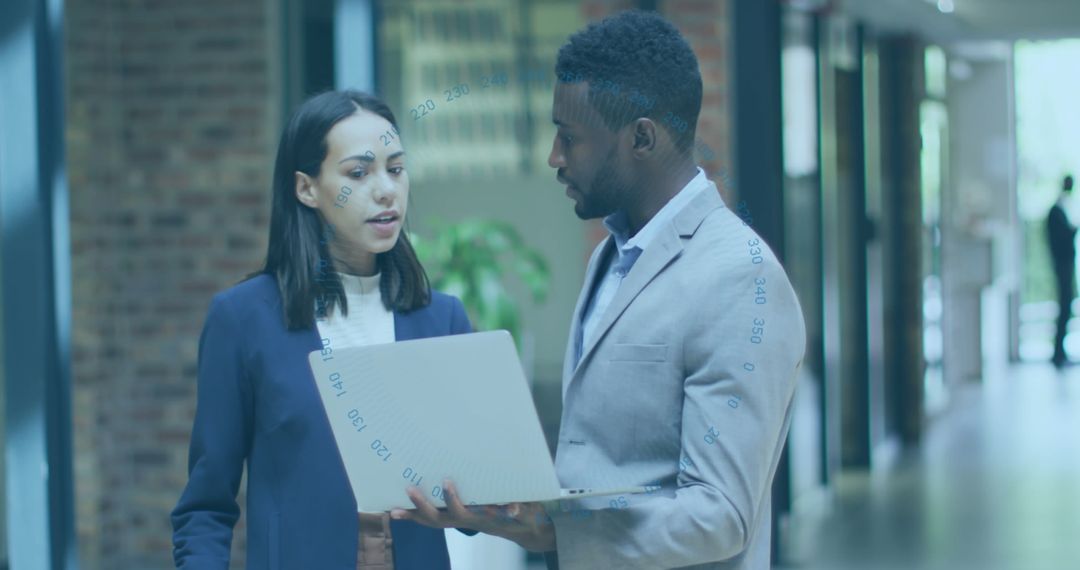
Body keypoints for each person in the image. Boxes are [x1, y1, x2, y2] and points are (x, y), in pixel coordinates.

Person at [391, 11, 806, 570]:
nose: (554, 158)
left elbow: (721, 514)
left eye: (571, 139)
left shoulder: (740, 278)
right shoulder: (611, 256)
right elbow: (608, 463)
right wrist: (512, 503)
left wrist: (560, 530)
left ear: (641, 137)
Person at [170, 90, 476, 569]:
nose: (386, 189)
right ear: (306, 188)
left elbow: (480, 498)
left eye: (395, 168)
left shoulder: (443, 320)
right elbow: (206, 506)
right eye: (359, 173)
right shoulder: (243, 319)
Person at [1047, 174, 1077, 368]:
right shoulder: (1056, 212)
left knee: (1067, 307)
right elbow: (1061, 239)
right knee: (1064, 307)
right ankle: (1058, 353)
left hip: (1065, 266)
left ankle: (1060, 352)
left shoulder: (1059, 210)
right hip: (1062, 266)